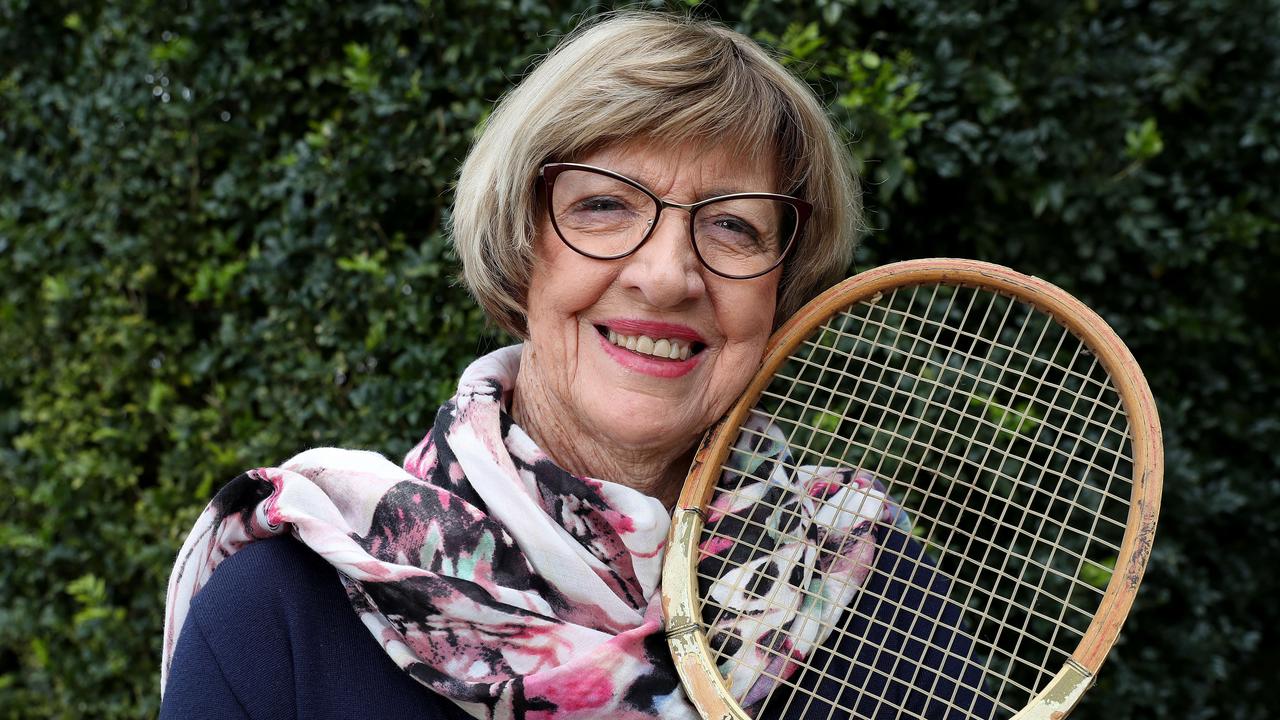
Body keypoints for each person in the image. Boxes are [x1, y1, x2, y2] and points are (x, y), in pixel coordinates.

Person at [159, 11, 990, 720]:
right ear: (522, 249)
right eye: (603, 205)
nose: (667, 275)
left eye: (735, 226)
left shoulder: (872, 589)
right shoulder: (280, 614)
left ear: (783, 286)